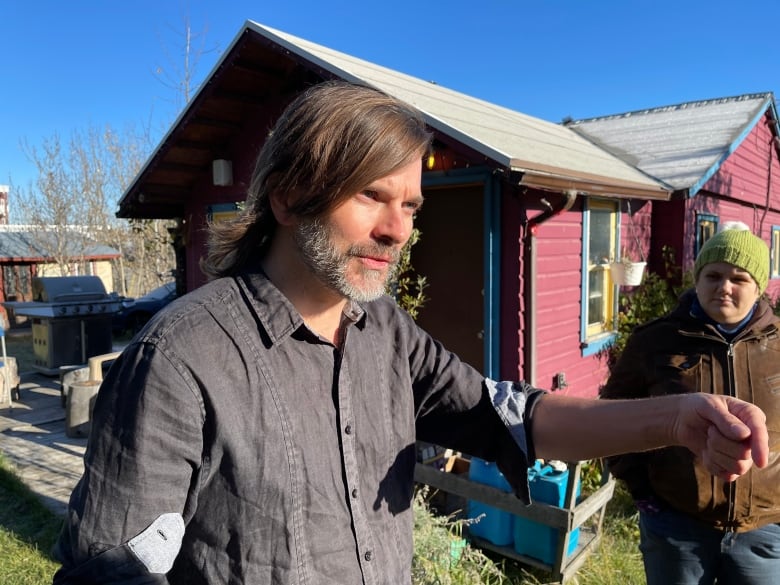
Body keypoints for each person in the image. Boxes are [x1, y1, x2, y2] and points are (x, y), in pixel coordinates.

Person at [52, 82, 768, 585]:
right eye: (371, 195)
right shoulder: (185, 356)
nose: (398, 229)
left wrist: (674, 418)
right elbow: (110, 567)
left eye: (411, 205)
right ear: (289, 195)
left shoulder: (386, 332)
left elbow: (513, 420)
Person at [600, 221, 780, 585]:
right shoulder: (655, 342)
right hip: (677, 525)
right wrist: (645, 494)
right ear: (697, 279)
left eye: (739, 278)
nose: (724, 288)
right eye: (713, 275)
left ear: (758, 287)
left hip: (765, 530)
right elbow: (612, 419)